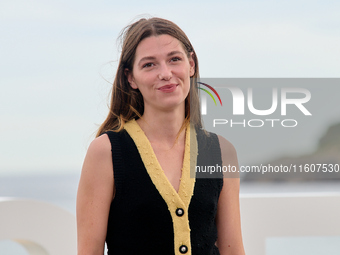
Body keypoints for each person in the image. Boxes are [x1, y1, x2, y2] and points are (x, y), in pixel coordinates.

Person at [76, 17, 245, 255]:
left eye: (174, 59)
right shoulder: (106, 152)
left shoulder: (222, 152)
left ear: (191, 65)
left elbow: (233, 250)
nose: (165, 73)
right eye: (149, 65)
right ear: (130, 78)